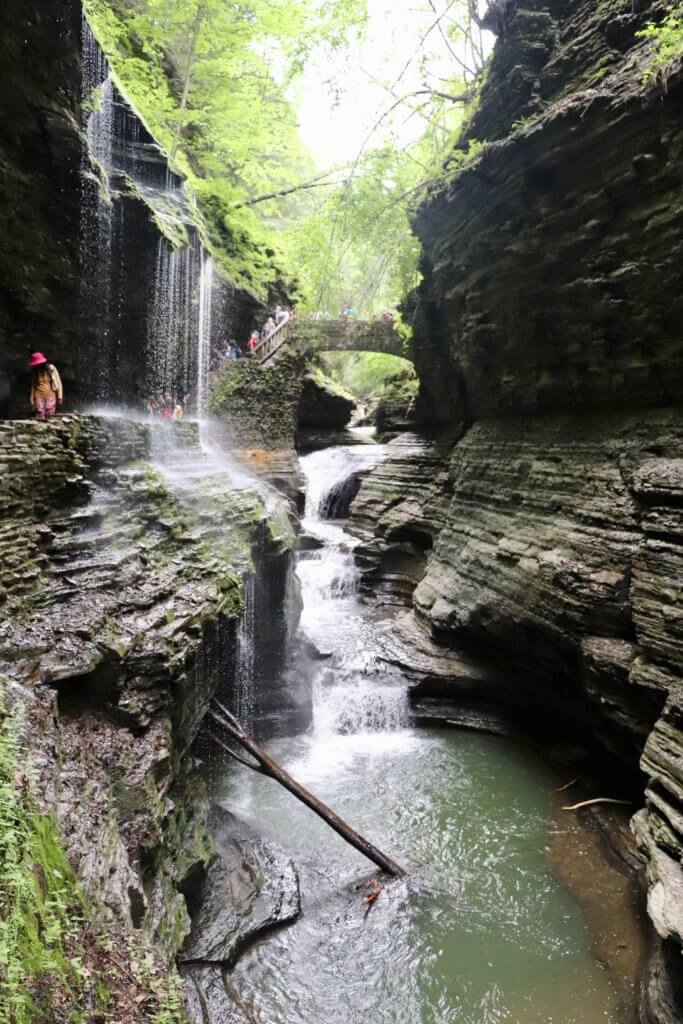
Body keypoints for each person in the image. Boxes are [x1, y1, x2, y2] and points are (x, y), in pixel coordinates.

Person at [29, 352, 63, 420]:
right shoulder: (35, 371)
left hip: (51, 396)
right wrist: (31, 399)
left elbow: (59, 383)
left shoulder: (51, 368)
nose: (38, 365)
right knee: (39, 416)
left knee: (50, 416)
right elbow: (33, 386)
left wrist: (60, 396)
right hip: (39, 397)